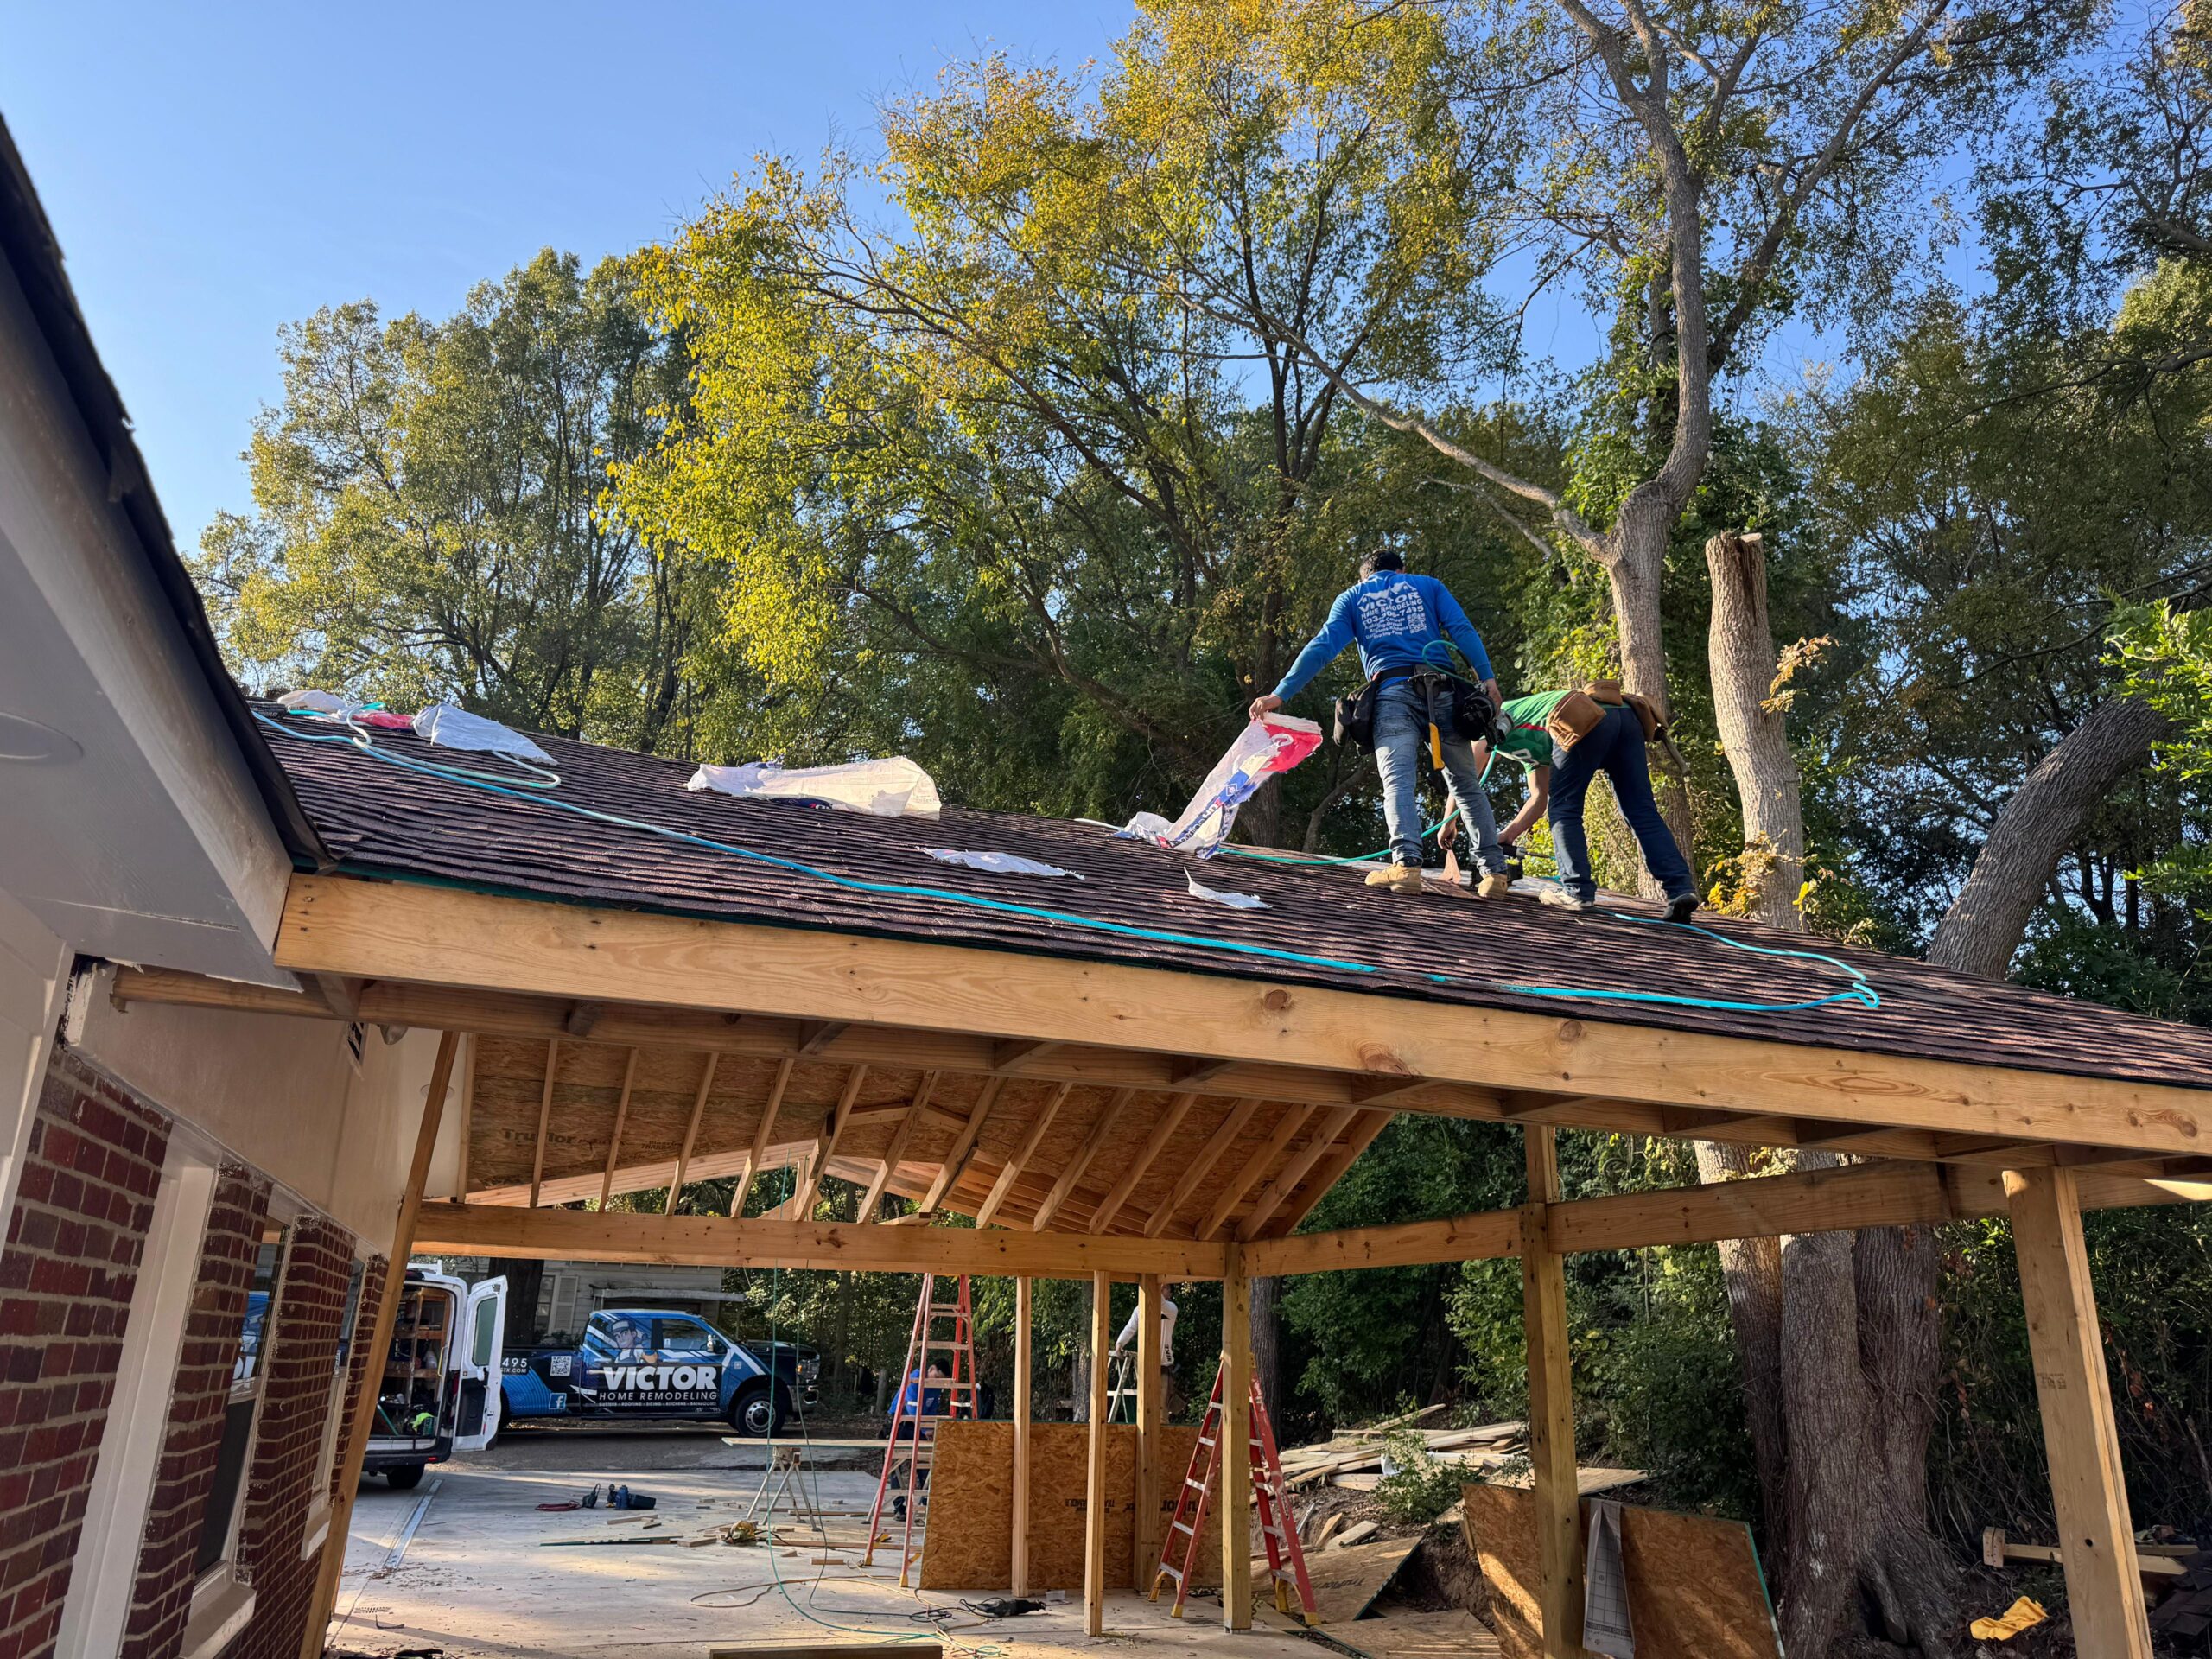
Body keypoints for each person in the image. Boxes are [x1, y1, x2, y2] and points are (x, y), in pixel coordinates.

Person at [1251, 548, 1510, 897]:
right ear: (1402, 570)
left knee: (1398, 779)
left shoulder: (1352, 598)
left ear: (1365, 577)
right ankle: (1494, 874)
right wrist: (1487, 679)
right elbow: (1462, 629)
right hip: (1444, 691)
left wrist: (1280, 694)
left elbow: (1323, 646)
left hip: (1392, 692)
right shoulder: (1428, 586)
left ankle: (1406, 865)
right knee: (1465, 783)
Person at [1480, 685, 1697, 922]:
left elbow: (1464, 781)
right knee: (1640, 810)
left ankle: (1576, 891)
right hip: (1625, 717)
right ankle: (1680, 890)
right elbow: (1539, 797)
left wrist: (1452, 825)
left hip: (1580, 714)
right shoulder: (1527, 743)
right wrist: (1509, 834)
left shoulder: (1485, 722)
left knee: (1565, 807)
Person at [1108, 1283, 1185, 1417]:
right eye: (1163, 1287)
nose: (1163, 1289)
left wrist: (1157, 1284)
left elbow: (1158, 1300)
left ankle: (1162, 1429)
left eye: (1165, 1287)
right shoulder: (1140, 1309)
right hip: (1146, 1364)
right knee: (1146, 1407)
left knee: (1162, 1408)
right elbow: (1130, 1328)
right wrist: (1120, 1343)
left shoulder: (1171, 1308)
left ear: (1169, 1293)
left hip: (1163, 1364)